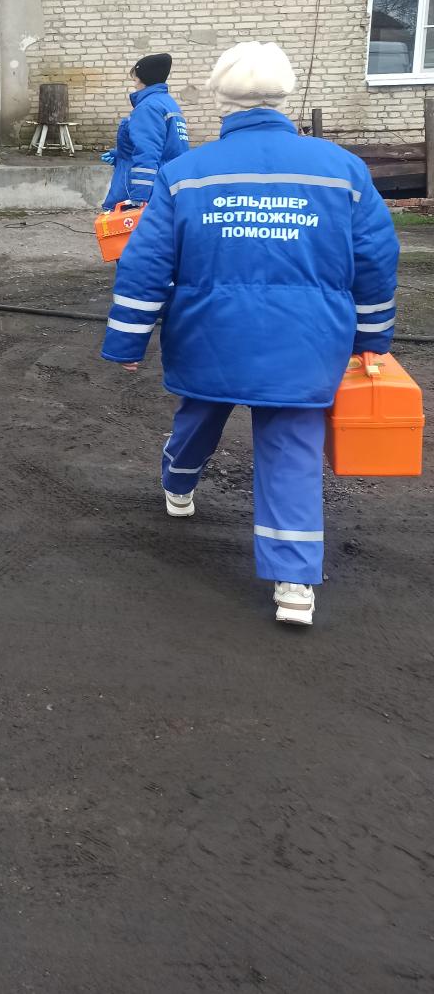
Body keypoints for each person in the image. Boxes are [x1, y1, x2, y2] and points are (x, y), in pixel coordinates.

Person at [101, 42, 399, 627]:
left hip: (210, 335)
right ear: (285, 95)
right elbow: (376, 262)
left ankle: (178, 488)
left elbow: (146, 262)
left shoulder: (186, 174)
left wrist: (128, 339)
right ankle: (295, 586)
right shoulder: (343, 170)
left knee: (199, 413)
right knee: (291, 449)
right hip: (306, 344)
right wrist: (372, 340)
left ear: (219, 98)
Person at [102, 52, 190, 210]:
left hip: (145, 191)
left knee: (121, 226)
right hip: (166, 184)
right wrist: (120, 154)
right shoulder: (168, 104)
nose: (134, 85)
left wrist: (139, 198)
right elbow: (167, 148)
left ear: (144, 79)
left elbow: (147, 152)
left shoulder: (148, 108)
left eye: (135, 79)